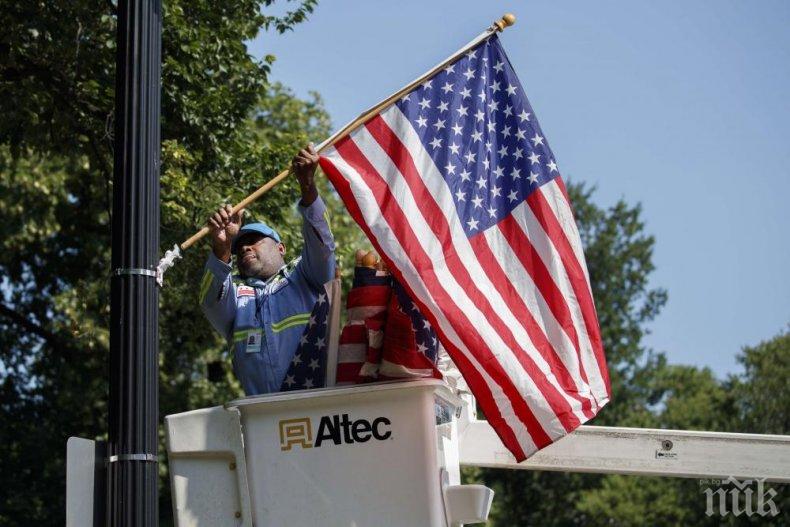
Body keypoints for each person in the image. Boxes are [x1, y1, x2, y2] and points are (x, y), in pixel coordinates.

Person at [199, 145, 335, 395]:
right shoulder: (236, 296)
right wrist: (222, 247)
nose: (245, 249)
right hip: (264, 416)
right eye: (239, 247)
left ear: (281, 248)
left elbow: (323, 247)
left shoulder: (303, 275)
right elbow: (210, 302)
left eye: (255, 241)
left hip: (321, 407)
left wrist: (307, 187)